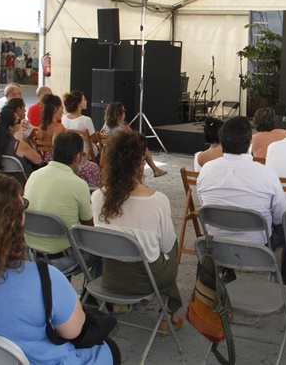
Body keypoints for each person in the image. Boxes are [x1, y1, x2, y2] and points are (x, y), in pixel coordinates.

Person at [0, 173, 118, 364]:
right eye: (23, 205)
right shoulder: (45, 280)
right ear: (15, 222)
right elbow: (74, 331)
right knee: (109, 348)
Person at [92, 130, 182, 332]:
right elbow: (166, 246)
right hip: (149, 280)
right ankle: (168, 314)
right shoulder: (157, 201)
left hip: (112, 278)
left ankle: (127, 303)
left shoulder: (98, 196)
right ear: (141, 163)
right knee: (172, 245)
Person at [197, 116, 286, 284]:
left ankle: (225, 269)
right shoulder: (266, 174)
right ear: (250, 143)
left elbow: (205, 208)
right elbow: (281, 217)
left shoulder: (206, 170)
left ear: (222, 141)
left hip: (217, 246)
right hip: (258, 248)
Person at [24, 132, 99, 276]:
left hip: (33, 255)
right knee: (103, 252)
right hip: (64, 258)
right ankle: (91, 290)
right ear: (77, 157)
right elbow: (89, 227)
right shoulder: (78, 184)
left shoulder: (34, 175)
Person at [38, 94, 100, 189]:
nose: (63, 112)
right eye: (61, 108)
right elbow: (57, 146)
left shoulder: (41, 127)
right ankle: (91, 191)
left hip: (46, 160)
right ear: (55, 110)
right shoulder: (58, 127)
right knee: (93, 167)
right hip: (61, 161)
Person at [100, 102, 167, 177]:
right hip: (121, 154)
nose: (124, 113)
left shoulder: (106, 125)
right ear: (119, 114)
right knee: (143, 148)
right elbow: (134, 138)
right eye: (123, 111)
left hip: (108, 153)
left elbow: (101, 134)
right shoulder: (122, 128)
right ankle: (155, 169)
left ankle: (155, 169)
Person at [0, 108, 44, 181]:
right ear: (11, 127)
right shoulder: (20, 146)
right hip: (21, 184)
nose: (20, 123)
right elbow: (39, 161)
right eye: (18, 121)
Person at [61, 90, 100, 155]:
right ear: (79, 104)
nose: (86, 101)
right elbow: (94, 140)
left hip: (68, 151)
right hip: (86, 152)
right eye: (84, 100)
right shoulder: (86, 120)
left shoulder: (63, 118)